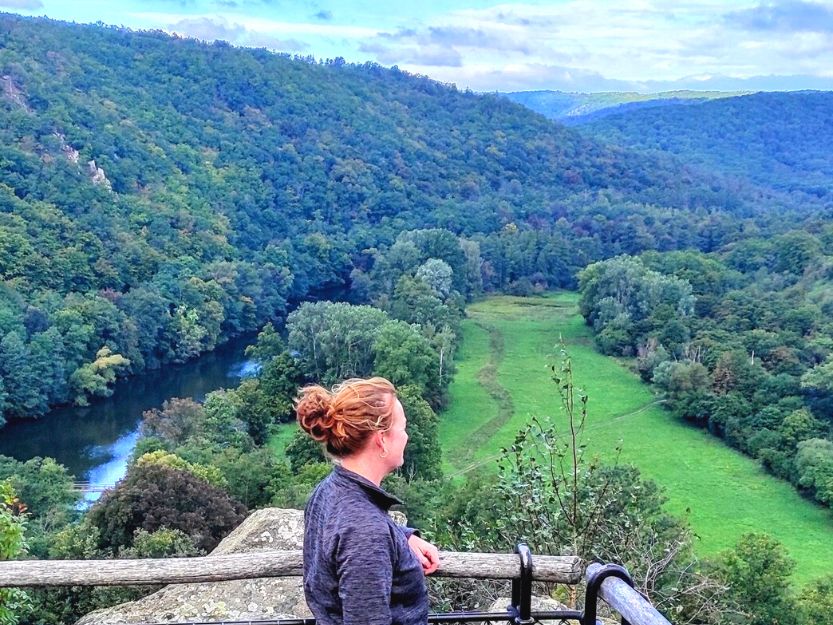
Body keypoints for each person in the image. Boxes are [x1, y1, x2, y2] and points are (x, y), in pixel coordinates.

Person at [295, 376, 440, 625]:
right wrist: (383, 539)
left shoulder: (329, 490)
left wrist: (402, 538)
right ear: (381, 439)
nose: (406, 437)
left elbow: (348, 535)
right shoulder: (366, 532)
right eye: (402, 428)